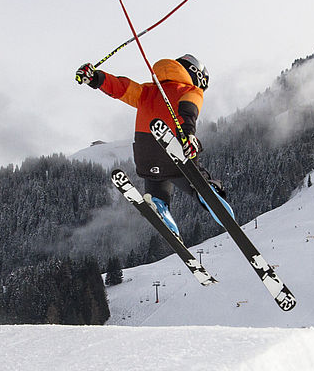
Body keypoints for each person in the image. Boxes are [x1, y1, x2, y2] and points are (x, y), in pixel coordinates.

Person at [75, 53, 227, 236]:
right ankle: (206, 191)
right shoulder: (191, 90)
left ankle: (158, 203)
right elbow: (188, 110)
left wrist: (95, 77)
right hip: (174, 152)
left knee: (155, 181)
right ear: (197, 73)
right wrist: (188, 134)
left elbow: (120, 87)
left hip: (145, 154)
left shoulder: (146, 91)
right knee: (194, 177)